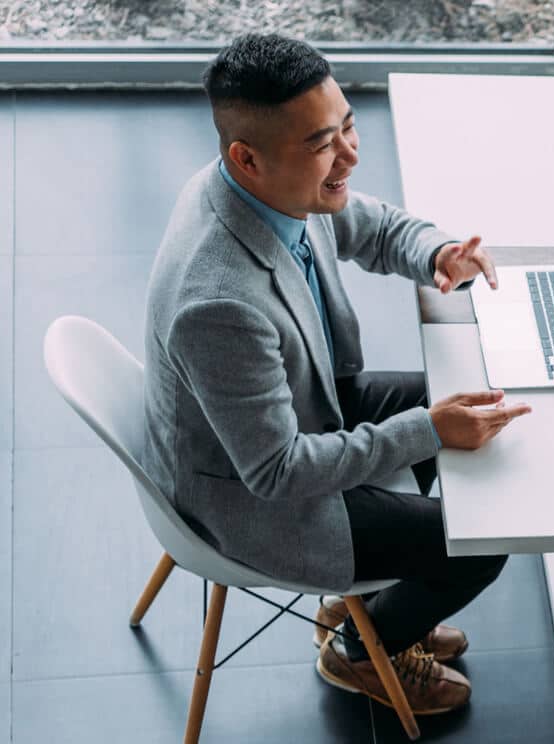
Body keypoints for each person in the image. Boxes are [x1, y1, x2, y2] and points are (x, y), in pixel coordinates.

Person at [142, 33, 530, 716]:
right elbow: (279, 474)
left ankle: (383, 610)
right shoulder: (217, 302)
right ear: (248, 158)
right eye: (324, 144)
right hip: (254, 500)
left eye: (348, 125)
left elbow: (372, 226)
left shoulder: (264, 188)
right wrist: (427, 431)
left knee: (468, 404)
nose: (350, 154)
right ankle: (359, 646)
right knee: (483, 539)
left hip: (304, 405)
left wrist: (437, 250)